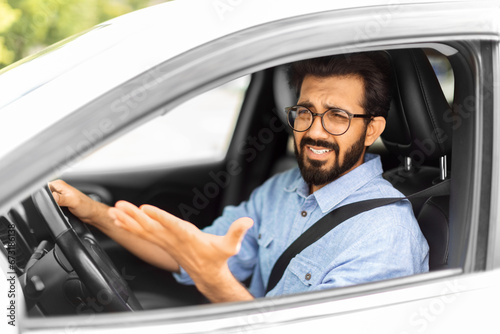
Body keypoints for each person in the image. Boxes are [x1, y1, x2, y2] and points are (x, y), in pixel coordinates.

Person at [50, 52, 429, 304]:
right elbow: (190, 254)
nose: (315, 131)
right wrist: (91, 212)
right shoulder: (280, 191)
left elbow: (207, 269)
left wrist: (214, 281)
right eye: (305, 112)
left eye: (337, 116)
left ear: (372, 129)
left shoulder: (385, 235)